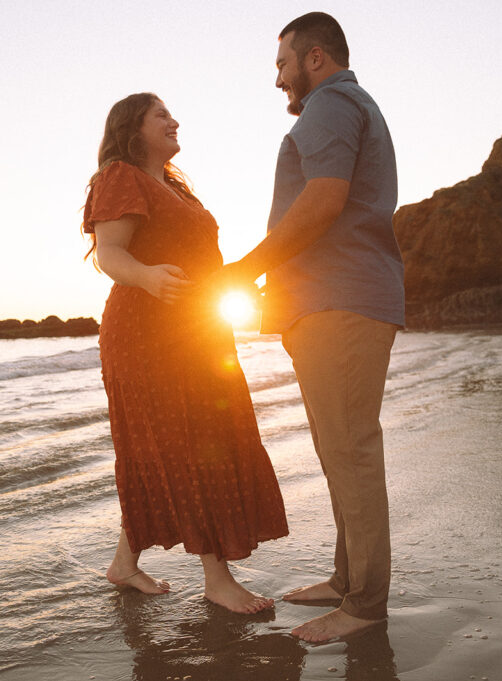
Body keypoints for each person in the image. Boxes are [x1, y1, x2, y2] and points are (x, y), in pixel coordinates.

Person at [209, 12, 405, 641]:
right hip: (328, 301)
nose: (277, 80)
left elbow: (323, 199)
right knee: (334, 448)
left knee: (350, 451)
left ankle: (364, 606)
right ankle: (349, 578)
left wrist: (245, 270)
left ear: (314, 58)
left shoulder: (329, 104)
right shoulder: (343, 105)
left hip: (341, 302)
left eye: (281, 64)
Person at [82, 93, 289, 614]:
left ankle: (124, 564)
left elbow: (200, 262)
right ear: (133, 127)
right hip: (147, 333)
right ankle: (217, 579)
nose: (174, 122)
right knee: (192, 442)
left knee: (175, 442)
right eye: (161, 115)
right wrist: (148, 277)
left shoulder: (174, 189)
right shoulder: (120, 176)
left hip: (195, 329)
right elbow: (110, 253)